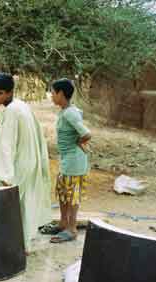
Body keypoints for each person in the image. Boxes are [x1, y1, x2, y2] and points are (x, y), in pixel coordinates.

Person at [0, 72, 52, 253]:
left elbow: (7, 145)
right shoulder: (21, 106)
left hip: (17, 166)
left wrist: (5, 174)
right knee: (24, 206)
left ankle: (13, 246)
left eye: (0, 93)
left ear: (9, 92)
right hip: (28, 162)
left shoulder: (12, 111)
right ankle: (22, 244)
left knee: (15, 207)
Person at [49, 78, 91, 243]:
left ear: (60, 93)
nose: (51, 96)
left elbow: (86, 134)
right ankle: (63, 223)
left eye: (52, 93)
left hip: (74, 161)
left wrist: (78, 143)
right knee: (63, 193)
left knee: (71, 196)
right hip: (67, 159)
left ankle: (72, 229)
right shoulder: (66, 111)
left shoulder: (70, 113)